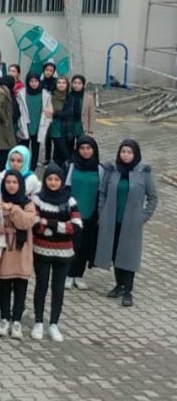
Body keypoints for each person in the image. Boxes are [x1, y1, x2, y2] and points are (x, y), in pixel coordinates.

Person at [95, 140, 158, 308]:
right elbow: (102, 192)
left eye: (129, 152)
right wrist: (102, 213)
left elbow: (153, 197)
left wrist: (143, 217)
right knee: (115, 251)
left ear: (135, 154)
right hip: (112, 219)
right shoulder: (112, 170)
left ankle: (128, 290)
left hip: (131, 222)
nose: (126, 155)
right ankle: (118, 284)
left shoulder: (143, 173)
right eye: (123, 151)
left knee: (129, 255)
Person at [30, 165, 81, 342]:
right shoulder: (37, 199)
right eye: (50, 179)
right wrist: (60, 227)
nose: (53, 182)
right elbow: (36, 226)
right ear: (45, 180)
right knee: (41, 286)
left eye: (56, 179)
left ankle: (54, 323)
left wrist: (51, 225)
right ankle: (38, 321)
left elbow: (76, 226)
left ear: (61, 181)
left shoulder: (70, 201)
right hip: (41, 251)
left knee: (58, 288)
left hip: (64, 253)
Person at [0, 170, 36, 339]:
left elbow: (25, 222)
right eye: (8, 182)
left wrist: (13, 209)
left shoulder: (27, 203)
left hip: (21, 249)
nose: (11, 185)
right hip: (4, 249)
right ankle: (4, 318)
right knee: (3, 285)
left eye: (15, 182)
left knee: (20, 286)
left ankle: (16, 320)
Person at [66, 135, 105, 289]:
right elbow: (66, 189)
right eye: (82, 148)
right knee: (72, 245)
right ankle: (68, 274)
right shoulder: (71, 166)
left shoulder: (100, 169)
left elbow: (102, 191)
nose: (85, 151)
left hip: (91, 214)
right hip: (73, 214)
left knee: (85, 246)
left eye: (89, 148)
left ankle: (78, 275)